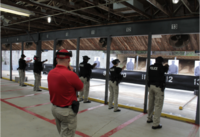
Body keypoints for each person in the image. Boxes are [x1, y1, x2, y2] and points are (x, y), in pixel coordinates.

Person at [48, 49, 83, 137]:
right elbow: (81, 88)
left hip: (55, 109)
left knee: (63, 133)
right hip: (66, 112)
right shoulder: (70, 74)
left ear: (56, 59)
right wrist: (71, 72)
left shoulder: (51, 73)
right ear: (69, 60)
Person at [147, 56, 169, 129]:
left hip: (151, 87)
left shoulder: (150, 67)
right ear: (161, 62)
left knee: (151, 103)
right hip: (158, 88)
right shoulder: (162, 68)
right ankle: (155, 124)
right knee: (158, 105)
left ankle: (149, 118)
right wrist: (166, 65)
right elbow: (165, 69)